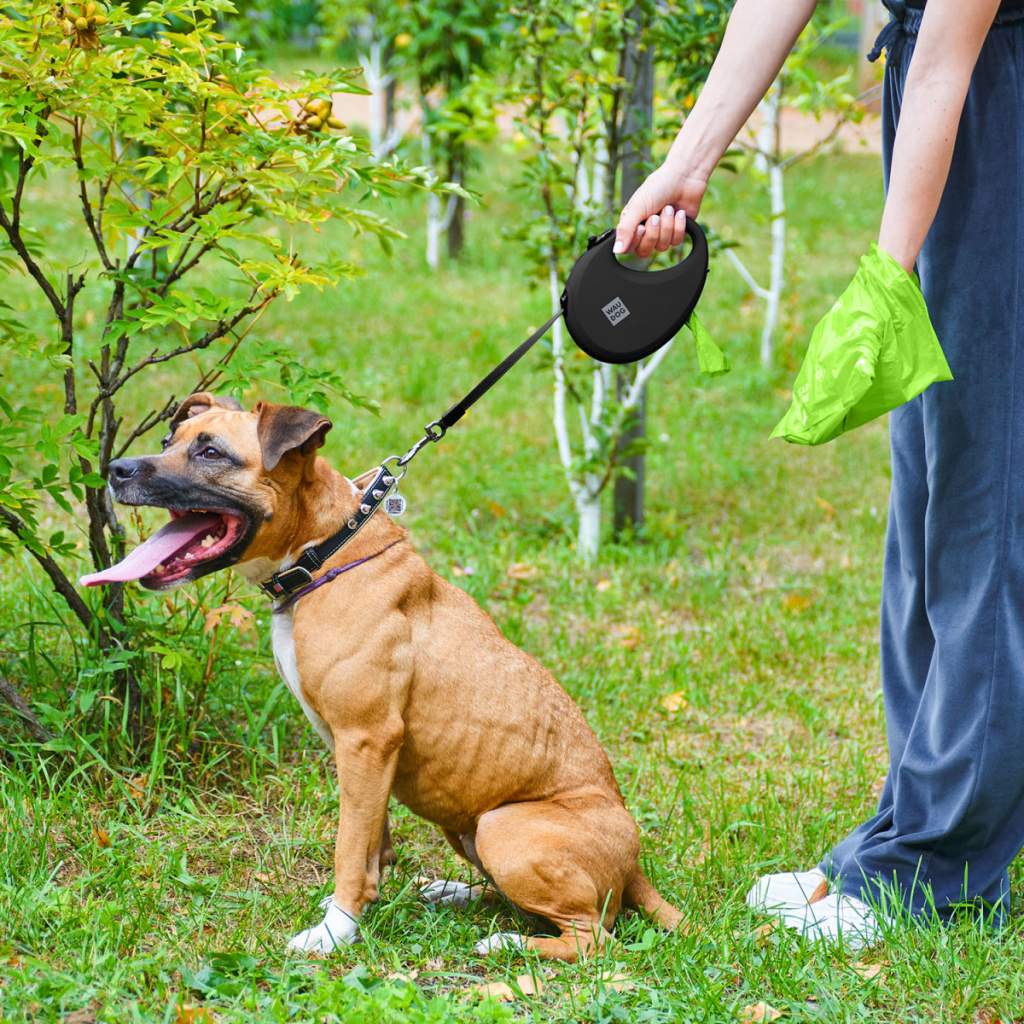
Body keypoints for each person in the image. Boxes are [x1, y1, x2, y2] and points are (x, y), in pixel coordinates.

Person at [617, 0, 1024, 946]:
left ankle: (942, 867)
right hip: (939, 86)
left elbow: (946, 66)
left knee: (988, 496)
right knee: (930, 491)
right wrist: (688, 163)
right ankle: (911, 827)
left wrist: (886, 280)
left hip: (991, 101)